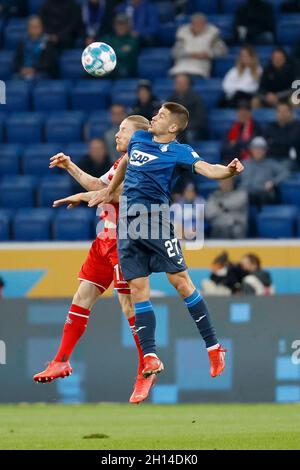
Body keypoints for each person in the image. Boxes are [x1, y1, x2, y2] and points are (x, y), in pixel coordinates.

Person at [92, 102, 244, 379]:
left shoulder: (179, 151)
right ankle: (149, 356)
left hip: (156, 220)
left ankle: (213, 346)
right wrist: (109, 190)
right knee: (138, 288)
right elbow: (125, 161)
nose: (154, 117)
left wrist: (229, 171)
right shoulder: (139, 138)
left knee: (180, 282)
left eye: (160, 116)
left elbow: (209, 169)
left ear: (173, 127)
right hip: (128, 222)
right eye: (156, 113)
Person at [33, 115, 156, 405]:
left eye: (123, 130)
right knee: (82, 295)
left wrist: (85, 194)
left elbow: (123, 194)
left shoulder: (144, 162)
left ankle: (145, 369)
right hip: (104, 239)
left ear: (139, 136)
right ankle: (61, 360)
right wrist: (70, 166)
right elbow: (99, 185)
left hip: (127, 241)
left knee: (128, 304)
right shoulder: (119, 163)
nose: (117, 135)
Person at [169, 13, 227, 78]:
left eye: (201, 24)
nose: (198, 26)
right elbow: (174, 52)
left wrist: (208, 54)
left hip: (200, 67)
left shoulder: (213, 36)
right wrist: (190, 54)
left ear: (205, 25)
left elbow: (222, 51)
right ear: (191, 25)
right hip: (181, 66)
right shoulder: (182, 35)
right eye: (195, 24)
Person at [239, 136, 289, 206]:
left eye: (261, 149)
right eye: (255, 148)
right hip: (244, 193)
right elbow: (232, 177)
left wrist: (273, 182)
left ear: (265, 150)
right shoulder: (244, 163)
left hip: (263, 193)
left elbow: (285, 173)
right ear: (251, 150)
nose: (258, 151)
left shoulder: (271, 163)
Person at [13, 16, 58, 80]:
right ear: (28, 29)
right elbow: (16, 61)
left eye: (37, 26)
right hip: (23, 73)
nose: (35, 29)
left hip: (40, 73)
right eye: (32, 27)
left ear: (41, 27)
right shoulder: (22, 43)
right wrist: (21, 69)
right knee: (15, 79)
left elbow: (49, 63)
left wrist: (34, 69)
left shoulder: (48, 42)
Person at [167, 73, 208, 142]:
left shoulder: (196, 99)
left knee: (189, 135)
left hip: (190, 128)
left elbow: (200, 119)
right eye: (176, 82)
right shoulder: (171, 99)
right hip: (175, 128)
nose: (176, 85)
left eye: (179, 82)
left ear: (187, 84)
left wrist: (183, 126)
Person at [102, 14, 140, 78]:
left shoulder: (133, 39)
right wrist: (118, 50)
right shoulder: (108, 38)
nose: (120, 27)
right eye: (118, 24)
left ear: (128, 26)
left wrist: (108, 52)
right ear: (114, 26)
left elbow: (124, 54)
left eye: (123, 24)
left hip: (125, 70)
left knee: (122, 72)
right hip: (108, 69)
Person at [264, 100, 300, 169]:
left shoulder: (297, 126)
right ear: (276, 113)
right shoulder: (271, 125)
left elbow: (291, 141)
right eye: (279, 111)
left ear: (291, 113)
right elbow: (265, 141)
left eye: (285, 111)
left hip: (290, 160)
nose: (282, 113)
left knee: (279, 168)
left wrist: (274, 140)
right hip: (271, 157)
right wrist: (281, 140)